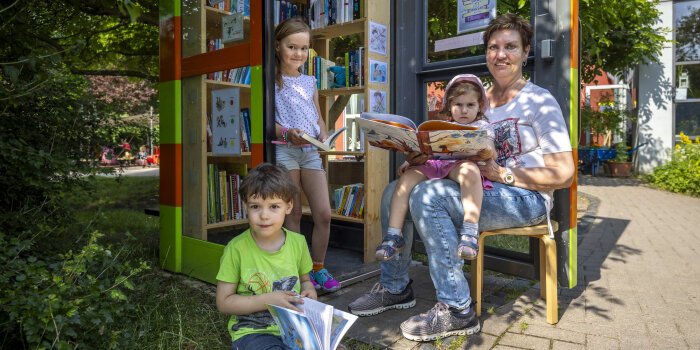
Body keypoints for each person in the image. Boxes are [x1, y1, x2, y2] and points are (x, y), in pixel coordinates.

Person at [347, 13, 575, 342]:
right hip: (473, 185)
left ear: (526, 53)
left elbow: (564, 174)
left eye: (511, 47)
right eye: (494, 47)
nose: (501, 54)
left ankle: (457, 308)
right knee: (394, 190)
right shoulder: (476, 98)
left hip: (523, 197)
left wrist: (502, 173)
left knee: (430, 197)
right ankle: (396, 287)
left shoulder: (540, 101)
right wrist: (421, 156)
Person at [374, 74, 495, 263]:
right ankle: (393, 235)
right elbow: (426, 149)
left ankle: (470, 232)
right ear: (449, 105)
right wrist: (409, 161)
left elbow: (491, 150)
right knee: (405, 181)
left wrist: (485, 150)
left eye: (470, 105)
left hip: (461, 164)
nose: (464, 110)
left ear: (480, 105)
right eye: (458, 105)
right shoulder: (442, 126)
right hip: (435, 163)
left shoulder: (482, 126)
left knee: (470, 171)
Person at [216, 163, 318, 350]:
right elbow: (223, 302)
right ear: (246, 206)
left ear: (288, 206)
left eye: (274, 206)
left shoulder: (298, 243)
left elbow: (305, 281)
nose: (264, 215)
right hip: (254, 332)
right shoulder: (236, 249)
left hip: (294, 327)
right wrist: (269, 300)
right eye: (256, 206)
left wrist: (309, 290)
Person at [273, 17, 340, 292]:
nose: (298, 54)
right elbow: (267, 123)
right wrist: (287, 132)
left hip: (311, 151)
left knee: (323, 213)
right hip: (285, 151)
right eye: (292, 47)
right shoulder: (271, 80)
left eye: (304, 48)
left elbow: (318, 118)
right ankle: (300, 274)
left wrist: (323, 134)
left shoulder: (310, 80)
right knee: (295, 212)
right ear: (278, 46)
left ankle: (318, 267)